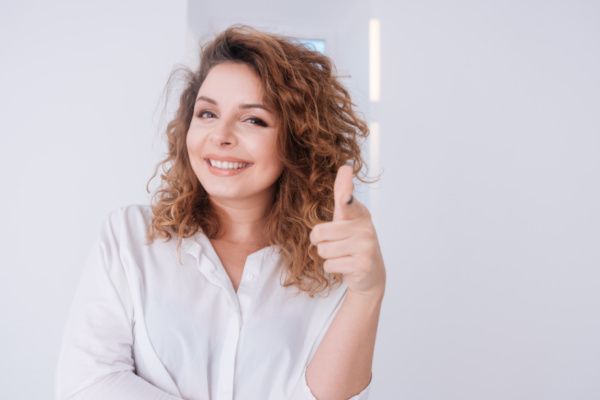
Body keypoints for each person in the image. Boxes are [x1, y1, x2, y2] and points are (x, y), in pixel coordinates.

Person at [55, 25, 386, 400]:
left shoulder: (333, 261)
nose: (221, 136)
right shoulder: (129, 238)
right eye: (208, 114)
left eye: (253, 119)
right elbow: (86, 384)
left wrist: (368, 292)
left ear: (297, 139)